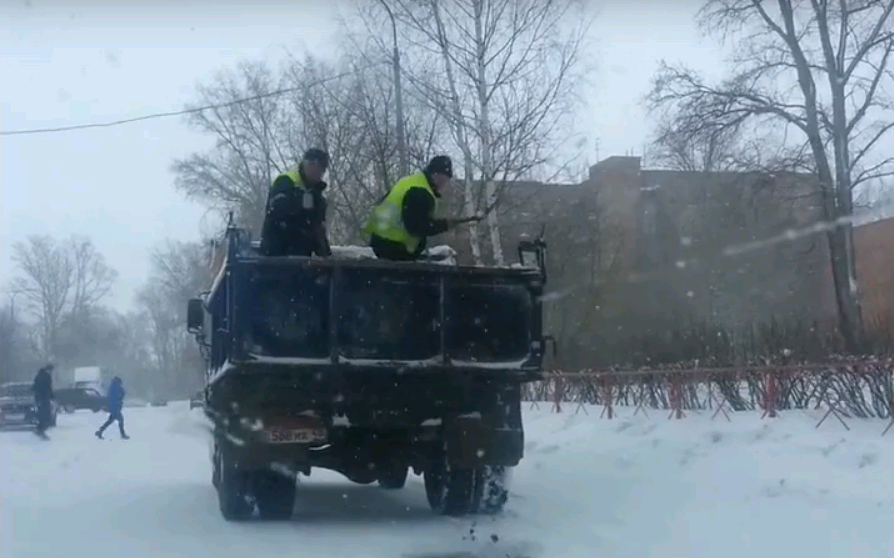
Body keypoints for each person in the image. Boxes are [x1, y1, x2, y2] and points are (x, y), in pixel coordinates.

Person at [364, 155, 480, 261]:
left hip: (379, 244)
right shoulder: (421, 193)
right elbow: (417, 227)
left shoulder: (410, 182)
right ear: (434, 175)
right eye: (443, 180)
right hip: (394, 249)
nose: (444, 185)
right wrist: (445, 224)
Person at [259, 148, 332, 258]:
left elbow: (318, 227)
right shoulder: (285, 181)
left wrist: (325, 254)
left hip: (302, 258)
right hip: (276, 254)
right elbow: (277, 209)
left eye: (320, 167)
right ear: (303, 164)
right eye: (312, 164)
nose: (315, 169)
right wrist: (300, 200)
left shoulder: (318, 198)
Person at [32, 363, 54, 439]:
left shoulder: (38, 376)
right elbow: (48, 388)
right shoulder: (46, 376)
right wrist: (51, 396)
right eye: (51, 370)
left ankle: (39, 430)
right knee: (47, 416)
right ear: (49, 369)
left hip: (39, 399)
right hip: (44, 398)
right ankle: (40, 430)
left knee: (43, 415)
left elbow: (34, 387)